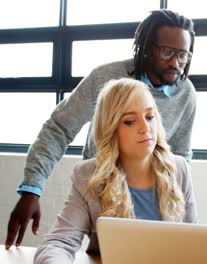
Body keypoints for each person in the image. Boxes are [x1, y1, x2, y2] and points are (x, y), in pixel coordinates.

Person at [5, 9, 196, 249]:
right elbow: (59, 128)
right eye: (168, 52)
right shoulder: (105, 79)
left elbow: (180, 154)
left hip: (155, 202)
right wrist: (32, 189)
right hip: (103, 196)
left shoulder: (186, 93)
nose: (175, 62)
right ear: (147, 47)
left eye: (183, 55)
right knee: (102, 252)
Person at [33, 78, 197, 263]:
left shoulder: (179, 168)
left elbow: (192, 242)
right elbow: (57, 244)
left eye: (150, 117)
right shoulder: (88, 176)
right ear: (111, 129)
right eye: (129, 121)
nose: (145, 128)